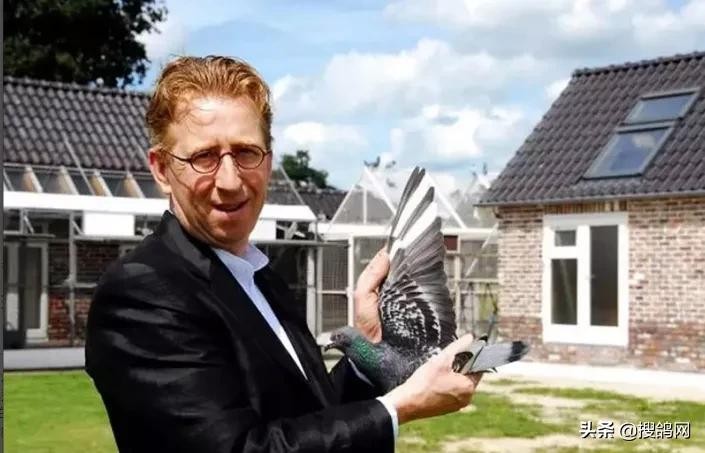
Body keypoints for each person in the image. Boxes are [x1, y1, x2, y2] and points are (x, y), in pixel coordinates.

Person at [85, 55, 482, 453]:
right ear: (160, 169)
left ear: (269, 160)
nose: (230, 180)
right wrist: (398, 407)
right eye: (204, 157)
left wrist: (367, 355)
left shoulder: (262, 279)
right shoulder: (143, 292)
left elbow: (311, 415)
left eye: (246, 152)